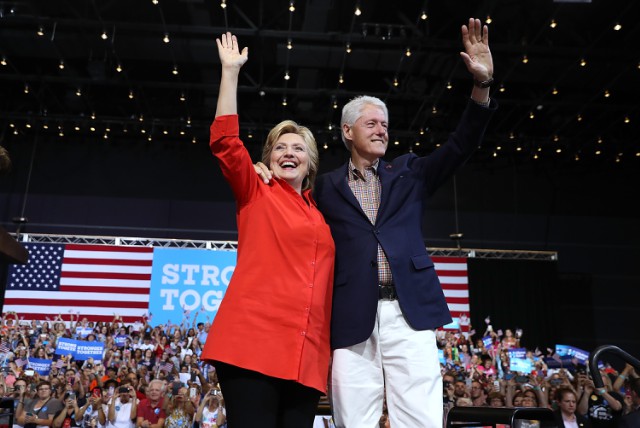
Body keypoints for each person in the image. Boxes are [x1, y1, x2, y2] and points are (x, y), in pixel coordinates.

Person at [256, 18, 495, 427]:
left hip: (410, 311)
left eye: (385, 124)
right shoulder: (327, 187)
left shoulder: (411, 173)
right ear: (348, 131)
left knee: (420, 416)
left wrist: (482, 86)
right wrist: (267, 176)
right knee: (354, 417)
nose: (382, 130)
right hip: (352, 315)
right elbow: (292, 211)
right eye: (371, 123)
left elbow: (461, 145)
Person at [200, 32, 335, 428]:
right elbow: (226, 142)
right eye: (279, 147)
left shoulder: (321, 215)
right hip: (253, 345)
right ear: (267, 158)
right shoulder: (255, 190)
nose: (288, 153)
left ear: (310, 164)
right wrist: (230, 73)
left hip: (306, 353)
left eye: (297, 149)